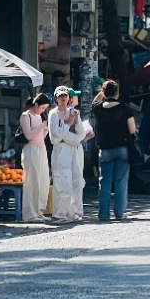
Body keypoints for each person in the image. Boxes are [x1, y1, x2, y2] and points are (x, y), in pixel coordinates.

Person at [92, 79, 138, 222]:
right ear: (117, 93)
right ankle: (119, 212)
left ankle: (103, 215)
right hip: (122, 148)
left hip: (105, 149)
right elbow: (132, 130)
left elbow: (94, 102)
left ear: (104, 92)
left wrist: (102, 93)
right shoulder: (124, 108)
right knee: (121, 181)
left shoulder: (98, 108)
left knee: (104, 182)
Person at [48, 86, 91, 222]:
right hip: (61, 151)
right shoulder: (53, 114)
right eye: (60, 96)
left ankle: (75, 213)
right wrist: (68, 125)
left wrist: (76, 122)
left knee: (77, 182)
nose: (63, 98)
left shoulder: (72, 112)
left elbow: (81, 135)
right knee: (62, 182)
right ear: (56, 98)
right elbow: (54, 136)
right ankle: (60, 214)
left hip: (75, 151)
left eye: (65, 95)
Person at [19, 92, 51, 221]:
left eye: (45, 109)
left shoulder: (39, 117)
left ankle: (39, 211)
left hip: (41, 149)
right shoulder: (26, 116)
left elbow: (41, 137)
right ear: (36, 104)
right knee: (31, 181)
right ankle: (30, 213)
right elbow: (29, 136)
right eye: (42, 108)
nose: (43, 111)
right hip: (31, 150)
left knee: (42, 181)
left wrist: (46, 129)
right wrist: (42, 126)